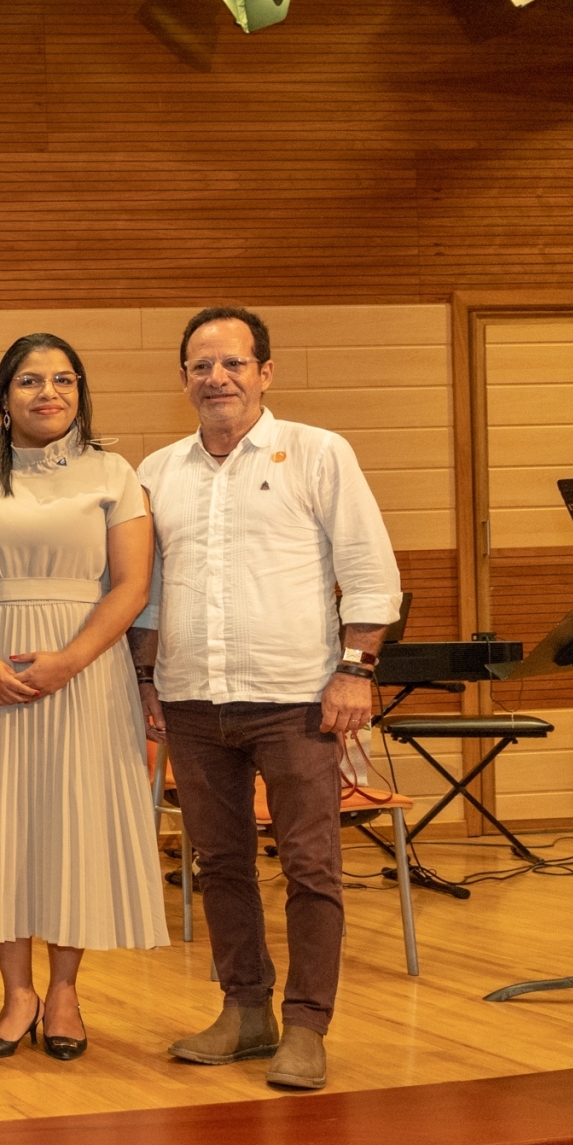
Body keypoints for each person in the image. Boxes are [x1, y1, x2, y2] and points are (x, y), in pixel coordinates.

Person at [134, 307, 400, 1093]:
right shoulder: (158, 471)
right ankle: (245, 1009)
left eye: (233, 363)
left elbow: (369, 569)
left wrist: (356, 669)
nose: (217, 377)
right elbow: (149, 592)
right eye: (201, 365)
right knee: (219, 863)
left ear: (265, 372)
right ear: (183, 378)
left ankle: (308, 1024)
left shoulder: (318, 452)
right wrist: (145, 679)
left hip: (296, 700)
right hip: (191, 699)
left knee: (312, 865)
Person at [0, 335, 164, 1063]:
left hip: (86, 671)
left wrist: (68, 661)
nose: (49, 393)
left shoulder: (115, 473)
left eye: (64, 380)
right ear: (4, 398)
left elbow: (132, 585)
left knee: (74, 826)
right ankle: (17, 995)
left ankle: (64, 991)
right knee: (0, 827)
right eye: (31, 381)